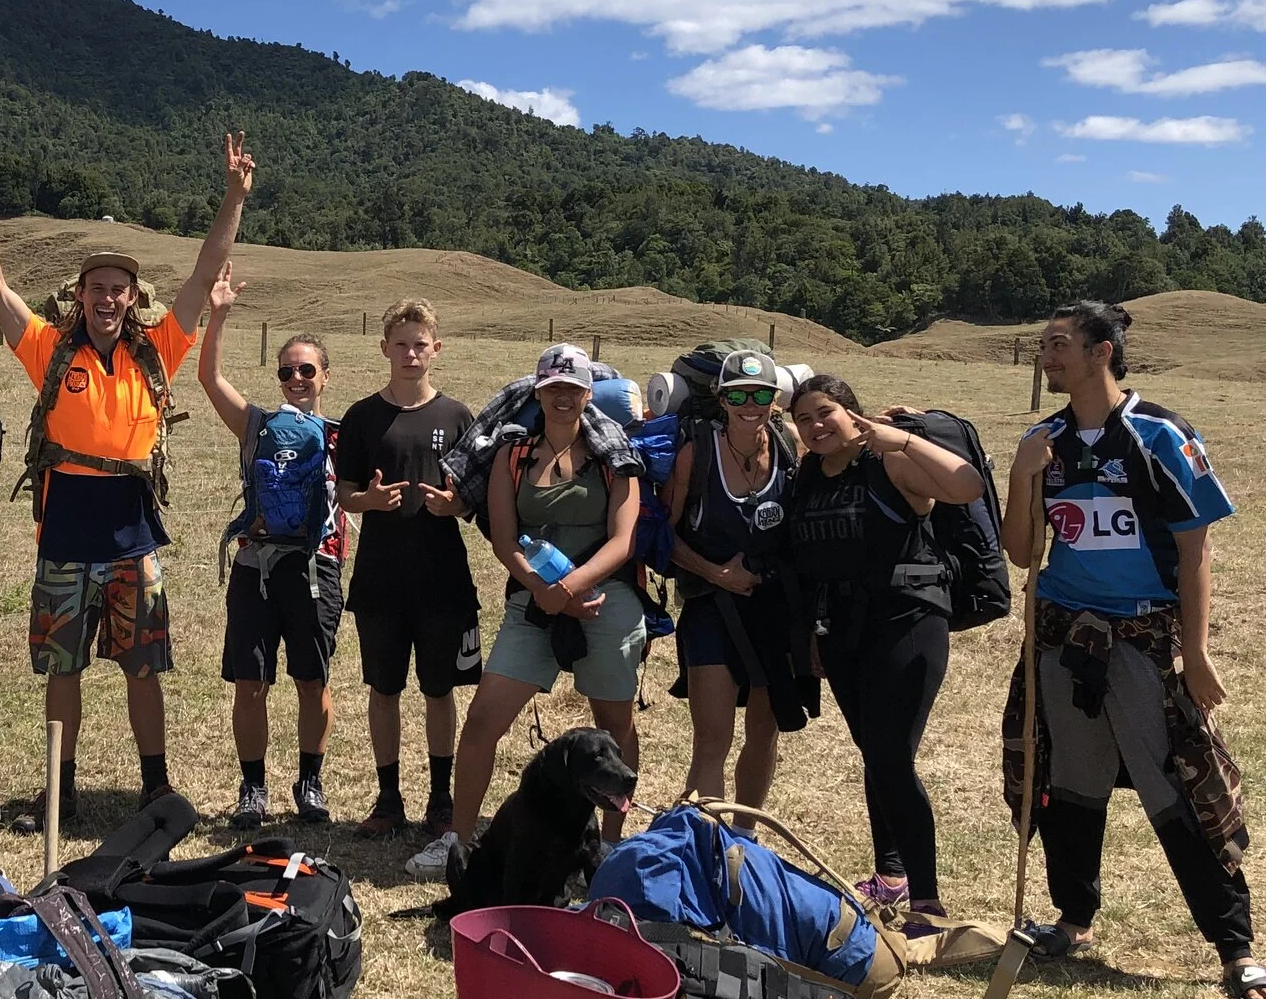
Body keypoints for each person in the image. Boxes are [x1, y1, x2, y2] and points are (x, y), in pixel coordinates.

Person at [0, 132, 253, 832]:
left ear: (133, 297)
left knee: (143, 667)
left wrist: (234, 196)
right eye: (98, 288)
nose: (108, 299)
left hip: (132, 533)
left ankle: (155, 786)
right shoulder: (49, 350)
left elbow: (208, 267)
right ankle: (60, 790)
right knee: (65, 668)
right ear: (79, 295)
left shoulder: (160, 349)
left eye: (120, 289)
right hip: (65, 529)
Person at [1003, 300, 1266, 999]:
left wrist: (1196, 650)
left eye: (1060, 342)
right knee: (1067, 782)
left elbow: (1195, 548)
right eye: (1043, 343)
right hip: (1064, 638)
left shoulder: (1161, 434)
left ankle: (1235, 947)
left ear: (1102, 351)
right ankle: (1073, 919)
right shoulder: (1043, 439)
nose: (1048, 353)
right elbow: (1021, 552)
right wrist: (1021, 474)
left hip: (1143, 642)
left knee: (1182, 787)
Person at [410, 344, 647, 881]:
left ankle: (607, 849)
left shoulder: (616, 456)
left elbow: (623, 540)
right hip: (533, 599)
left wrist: (567, 588)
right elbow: (503, 536)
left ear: (589, 394)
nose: (563, 397)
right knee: (483, 721)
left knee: (614, 728)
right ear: (538, 393)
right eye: (553, 388)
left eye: (573, 388)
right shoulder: (513, 455)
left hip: (604, 596)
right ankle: (459, 839)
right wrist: (543, 590)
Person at [781, 373, 983, 933]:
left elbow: (966, 486)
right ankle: (890, 876)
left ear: (853, 414)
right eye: (804, 419)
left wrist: (903, 439)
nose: (816, 426)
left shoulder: (887, 463)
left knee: (891, 756)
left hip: (908, 620)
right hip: (841, 632)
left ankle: (928, 903)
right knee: (876, 753)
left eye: (826, 413)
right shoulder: (808, 475)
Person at [197, 268, 341, 826]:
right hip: (255, 566)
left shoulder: (338, 432)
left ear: (325, 376)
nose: (297, 377)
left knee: (313, 679)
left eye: (308, 369)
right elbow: (209, 379)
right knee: (250, 683)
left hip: (314, 568)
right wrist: (220, 313)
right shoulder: (256, 424)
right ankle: (252, 789)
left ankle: (310, 783)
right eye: (288, 371)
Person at [333, 299, 478, 838]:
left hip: (443, 579)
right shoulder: (362, 416)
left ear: (436, 349)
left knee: (440, 691)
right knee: (384, 689)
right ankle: (388, 798)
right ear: (384, 348)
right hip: (379, 581)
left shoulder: (458, 416)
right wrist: (366, 502)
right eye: (401, 344)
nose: (411, 353)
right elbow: (345, 493)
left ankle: (441, 802)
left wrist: (455, 505)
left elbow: (474, 496)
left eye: (421, 344)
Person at [665, 349, 810, 809]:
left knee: (765, 733)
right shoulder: (698, 452)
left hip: (774, 611)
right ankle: (708, 842)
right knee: (712, 738)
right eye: (739, 395)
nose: (751, 404)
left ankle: (744, 838)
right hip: (712, 608)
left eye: (761, 394)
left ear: (776, 400)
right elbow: (662, 537)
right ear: (722, 400)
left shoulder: (788, 444)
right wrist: (717, 574)